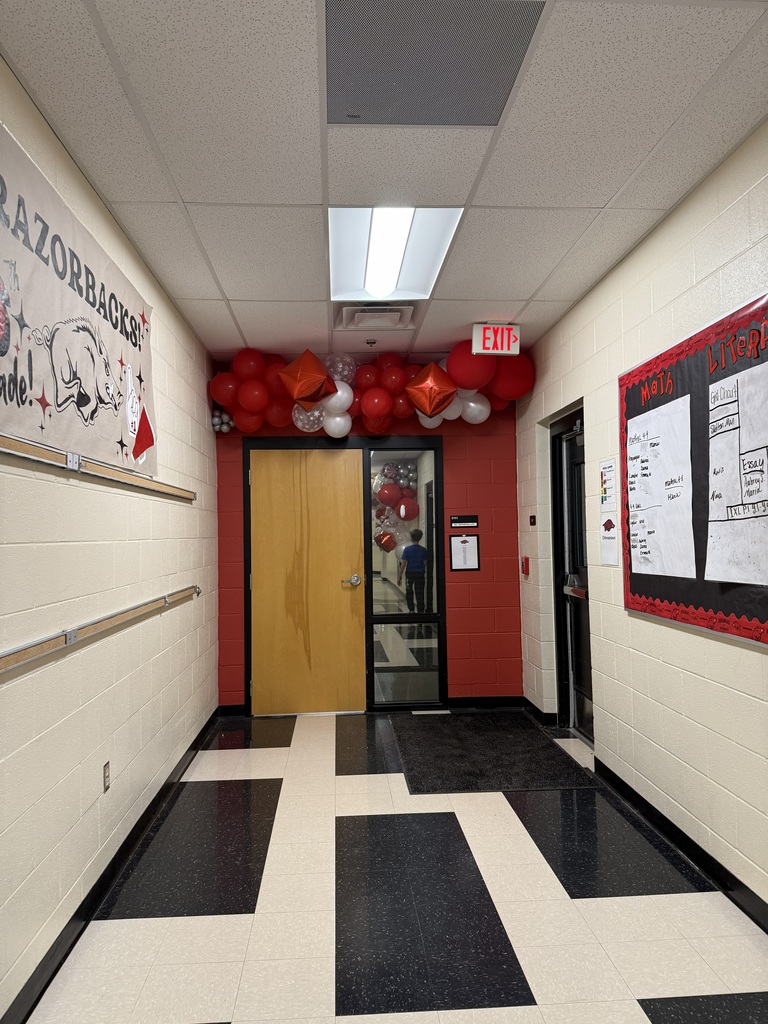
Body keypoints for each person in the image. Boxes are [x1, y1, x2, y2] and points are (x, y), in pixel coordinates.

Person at [397, 529, 428, 614]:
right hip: (420, 573)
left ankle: (411, 609)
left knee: (409, 591)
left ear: (411, 538)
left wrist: (399, 576)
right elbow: (425, 562)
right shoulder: (423, 550)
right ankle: (420, 610)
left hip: (410, 573)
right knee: (420, 592)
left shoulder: (407, 549)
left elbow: (403, 564)